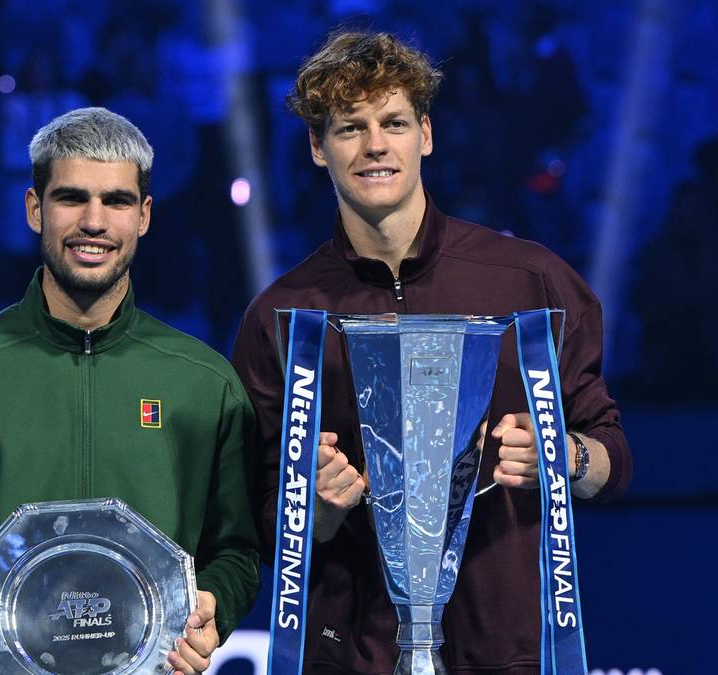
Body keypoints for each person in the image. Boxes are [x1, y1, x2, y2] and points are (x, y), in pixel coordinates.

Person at [231, 32, 632, 674]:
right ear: (316, 147)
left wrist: (563, 455)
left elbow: (612, 458)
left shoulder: (532, 283)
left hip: (506, 654)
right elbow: (257, 518)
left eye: (392, 122)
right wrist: (316, 511)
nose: (374, 146)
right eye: (348, 128)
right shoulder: (282, 316)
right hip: (355, 655)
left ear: (426, 133)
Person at [0, 107, 260, 675]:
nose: (94, 221)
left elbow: (238, 550)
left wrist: (215, 607)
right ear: (33, 209)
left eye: (116, 201)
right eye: (71, 198)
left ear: (144, 216)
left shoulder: (205, 383)